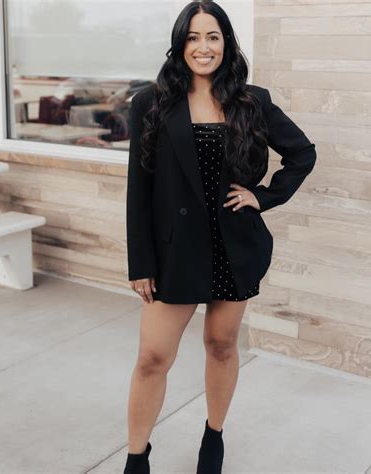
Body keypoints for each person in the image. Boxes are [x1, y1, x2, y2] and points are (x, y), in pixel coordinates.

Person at [123, 1, 317, 473]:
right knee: (152, 357)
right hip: (174, 251)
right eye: (193, 37)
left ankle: (213, 437)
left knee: (222, 344)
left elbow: (302, 153)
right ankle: (136, 457)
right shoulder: (150, 103)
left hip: (235, 246)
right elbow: (139, 189)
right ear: (180, 44)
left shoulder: (252, 101)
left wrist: (261, 197)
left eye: (212, 36)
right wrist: (141, 263)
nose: (203, 47)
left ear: (226, 43)